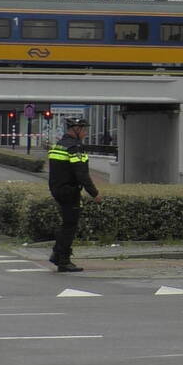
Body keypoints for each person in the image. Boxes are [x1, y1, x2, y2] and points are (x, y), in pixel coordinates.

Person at [47, 116, 102, 273]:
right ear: (76, 130)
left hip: (57, 189)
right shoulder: (75, 148)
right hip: (70, 191)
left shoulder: (59, 145)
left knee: (66, 224)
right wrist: (94, 193)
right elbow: (82, 174)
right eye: (84, 129)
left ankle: (57, 255)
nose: (85, 132)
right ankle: (64, 260)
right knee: (70, 226)